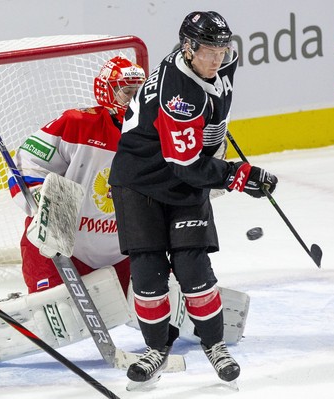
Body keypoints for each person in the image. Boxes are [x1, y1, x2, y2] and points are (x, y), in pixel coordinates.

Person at [109, 11, 278, 386]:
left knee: (193, 270)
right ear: (188, 49)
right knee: (148, 276)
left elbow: (218, 93)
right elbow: (185, 165)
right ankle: (156, 350)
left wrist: (216, 128)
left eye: (221, 48)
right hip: (140, 182)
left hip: (182, 176)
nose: (217, 58)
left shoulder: (221, 60)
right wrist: (238, 174)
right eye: (208, 50)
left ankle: (215, 346)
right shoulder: (179, 97)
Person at [8, 55, 146, 297]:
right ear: (107, 92)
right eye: (127, 92)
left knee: (153, 311)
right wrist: (43, 200)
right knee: (55, 315)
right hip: (65, 248)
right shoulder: (78, 123)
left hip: (121, 251)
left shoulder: (155, 132)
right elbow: (27, 162)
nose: (134, 100)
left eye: (139, 93)